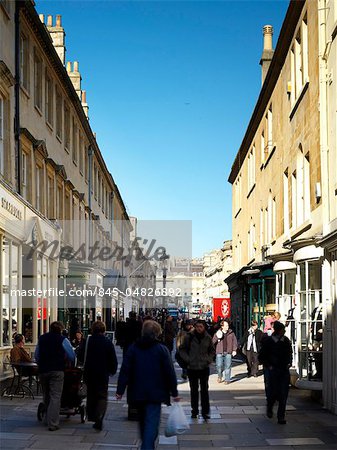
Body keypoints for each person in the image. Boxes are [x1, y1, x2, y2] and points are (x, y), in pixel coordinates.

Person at [116, 320, 179, 450]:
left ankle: (146, 444)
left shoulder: (133, 348)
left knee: (143, 423)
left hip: (137, 392)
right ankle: (147, 446)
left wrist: (120, 390)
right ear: (157, 334)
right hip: (155, 393)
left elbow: (125, 369)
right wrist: (174, 391)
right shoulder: (161, 349)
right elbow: (169, 372)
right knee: (151, 424)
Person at [35, 321, 75, 431]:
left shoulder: (42, 338)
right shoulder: (63, 340)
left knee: (46, 394)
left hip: (43, 370)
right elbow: (71, 355)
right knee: (55, 396)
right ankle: (52, 423)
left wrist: (41, 363)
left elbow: (37, 355)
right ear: (61, 330)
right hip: (57, 370)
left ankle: (47, 418)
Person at [77, 321, 118, 431]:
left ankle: (93, 416)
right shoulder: (107, 342)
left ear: (92, 329)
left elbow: (80, 354)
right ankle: (99, 415)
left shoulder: (87, 341)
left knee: (91, 394)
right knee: (102, 395)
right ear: (104, 330)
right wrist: (112, 370)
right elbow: (113, 359)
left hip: (89, 372)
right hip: (102, 373)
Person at [178, 319, 215, 420]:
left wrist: (208, 359)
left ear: (204, 327)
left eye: (201, 327)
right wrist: (188, 359)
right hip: (192, 367)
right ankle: (194, 411)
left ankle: (205, 412)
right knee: (194, 391)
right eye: (197, 326)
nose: (199, 328)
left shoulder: (207, 337)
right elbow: (182, 349)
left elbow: (212, 350)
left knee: (204, 390)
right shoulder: (189, 337)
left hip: (204, 367)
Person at [258, 321, 292, 425]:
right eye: (282, 330)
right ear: (278, 330)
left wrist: (289, 362)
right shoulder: (268, 341)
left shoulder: (286, 341)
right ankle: (269, 407)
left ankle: (281, 416)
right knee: (273, 393)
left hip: (283, 370)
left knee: (283, 394)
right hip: (273, 370)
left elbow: (289, 353)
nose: (284, 332)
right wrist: (269, 366)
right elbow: (262, 356)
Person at [212, 318, 238, 384]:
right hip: (219, 352)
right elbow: (213, 342)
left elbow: (234, 342)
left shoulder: (231, 333)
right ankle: (220, 376)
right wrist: (217, 336)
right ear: (222, 326)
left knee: (228, 366)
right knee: (219, 366)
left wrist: (234, 350)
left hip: (228, 352)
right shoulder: (218, 332)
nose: (227, 327)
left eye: (228, 325)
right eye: (226, 325)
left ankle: (227, 379)